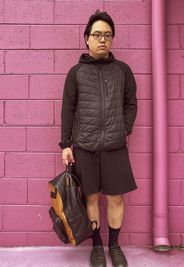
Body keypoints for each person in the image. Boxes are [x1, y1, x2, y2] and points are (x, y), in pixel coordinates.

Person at [59, 10, 137, 267]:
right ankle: (96, 247)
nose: (102, 39)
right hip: (84, 146)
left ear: (112, 39)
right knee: (90, 198)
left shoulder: (123, 71)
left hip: (115, 146)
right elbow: (68, 110)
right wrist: (66, 145)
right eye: (97, 34)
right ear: (87, 39)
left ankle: (114, 245)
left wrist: (124, 128)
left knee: (116, 198)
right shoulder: (76, 73)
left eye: (107, 35)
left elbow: (131, 103)